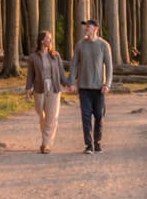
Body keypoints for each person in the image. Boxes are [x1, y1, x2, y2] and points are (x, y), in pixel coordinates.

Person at [69, 19, 113, 154]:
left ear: (96, 29)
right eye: (85, 27)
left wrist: (107, 84)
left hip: (99, 88)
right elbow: (74, 65)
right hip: (84, 87)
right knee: (86, 116)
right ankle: (89, 145)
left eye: (88, 27)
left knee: (99, 116)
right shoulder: (80, 45)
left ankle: (97, 142)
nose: (86, 29)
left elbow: (109, 67)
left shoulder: (104, 45)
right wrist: (71, 82)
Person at [24, 30, 69, 153]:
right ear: (41, 40)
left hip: (54, 88)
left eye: (51, 38)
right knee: (41, 114)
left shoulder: (55, 55)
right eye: (48, 38)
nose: (51, 41)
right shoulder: (33, 57)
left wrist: (68, 84)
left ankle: (46, 144)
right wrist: (28, 92)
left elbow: (61, 73)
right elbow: (30, 76)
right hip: (39, 89)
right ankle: (46, 138)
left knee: (52, 117)